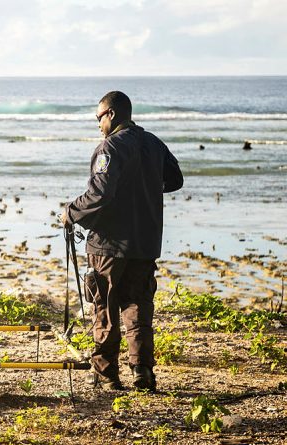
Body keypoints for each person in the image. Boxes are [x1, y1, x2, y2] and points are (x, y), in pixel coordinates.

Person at [60, 91, 182, 392]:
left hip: (110, 244)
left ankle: (107, 375)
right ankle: (143, 372)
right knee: (138, 307)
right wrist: (145, 190)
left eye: (98, 117)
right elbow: (175, 179)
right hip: (145, 241)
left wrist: (70, 212)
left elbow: (100, 193)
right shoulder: (153, 143)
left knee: (106, 307)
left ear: (111, 114)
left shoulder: (110, 146)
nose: (97, 124)